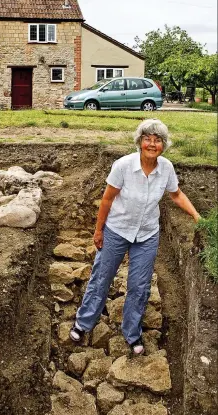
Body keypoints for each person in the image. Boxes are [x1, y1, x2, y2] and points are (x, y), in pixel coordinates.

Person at [70, 118, 200, 355]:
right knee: (102, 277)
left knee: (139, 286)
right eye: (147, 139)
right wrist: (99, 230)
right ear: (139, 142)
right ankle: (84, 323)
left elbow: (176, 194)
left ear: (163, 144)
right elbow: (107, 199)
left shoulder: (166, 168)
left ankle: (132, 333)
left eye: (157, 140)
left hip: (147, 235)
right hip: (117, 230)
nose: (152, 144)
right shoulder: (123, 166)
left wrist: (197, 216)